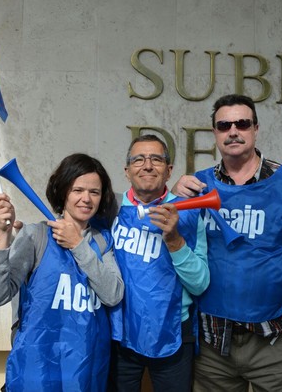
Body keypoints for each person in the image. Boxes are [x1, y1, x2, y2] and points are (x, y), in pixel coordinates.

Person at [172, 94, 282, 392]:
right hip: (213, 344)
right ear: (215, 133)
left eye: (242, 124)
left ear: (255, 129)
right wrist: (173, 195)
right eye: (224, 125)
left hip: (277, 341)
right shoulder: (197, 186)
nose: (233, 131)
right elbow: (175, 242)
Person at [0, 153, 124, 392]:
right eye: (77, 190)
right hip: (35, 371)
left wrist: (78, 244)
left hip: (85, 373)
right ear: (63, 192)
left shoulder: (102, 242)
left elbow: (113, 295)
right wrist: (4, 239)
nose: (86, 199)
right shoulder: (35, 236)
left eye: (94, 192)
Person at [108, 134, 209, 391]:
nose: (147, 165)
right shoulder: (108, 211)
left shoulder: (189, 212)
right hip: (119, 332)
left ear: (169, 171)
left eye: (156, 159)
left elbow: (200, 284)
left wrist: (175, 240)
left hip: (173, 331)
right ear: (127, 171)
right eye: (138, 159)